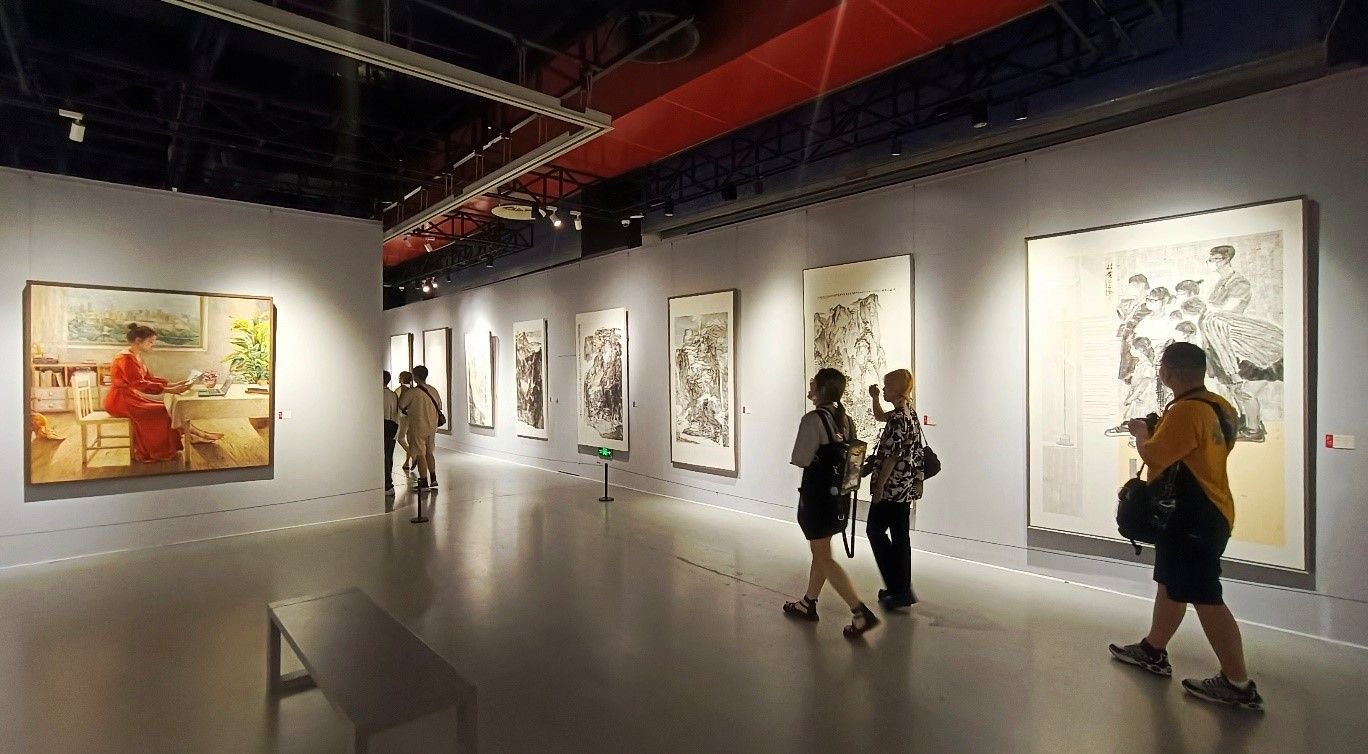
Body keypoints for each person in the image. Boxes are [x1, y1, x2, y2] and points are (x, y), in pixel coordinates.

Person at [1108, 342, 1264, 711]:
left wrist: (1141, 432)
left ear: (1169, 372)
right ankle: (1153, 649)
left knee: (1206, 596)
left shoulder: (1186, 411)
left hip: (1193, 517)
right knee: (1171, 584)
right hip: (1211, 509)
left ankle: (1237, 683)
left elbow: (1155, 456)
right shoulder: (1219, 406)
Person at [782, 368, 880, 639]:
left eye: (813, 384)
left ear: (821, 389)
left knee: (823, 556)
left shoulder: (812, 420)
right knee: (821, 551)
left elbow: (800, 458)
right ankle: (808, 602)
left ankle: (859, 611)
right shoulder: (846, 420)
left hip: (816, 498)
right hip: (838, 500)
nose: (809, 388)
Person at [865, 369, 926, 610]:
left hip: (892, 488)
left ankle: (898, 586)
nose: (883, 390)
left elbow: (891, 457)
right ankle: (901, 589)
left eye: (886, 387)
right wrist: (874, 398)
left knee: (874, 531)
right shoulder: (908, 413)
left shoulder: (900, 418)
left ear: (896, 389)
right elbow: (881, 417)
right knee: (900, 537)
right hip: (904, 487)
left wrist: (879, 488)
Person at [104, 323, 208, 463]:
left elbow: (149, 379)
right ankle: (192, 436)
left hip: (129, 398)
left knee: (168, 408)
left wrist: (174, 384)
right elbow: (139, 384)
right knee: (162, 410)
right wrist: (170, 390)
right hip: (119, 401)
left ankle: (195, 434)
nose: (152, 345)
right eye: (150, 342)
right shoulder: (125, 358)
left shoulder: (135, 356)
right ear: (138, 341)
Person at [397, 364, 442, 490]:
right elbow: (439, 406)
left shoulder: (413, 392)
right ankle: (433, 478)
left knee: (420, 454)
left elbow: (401, 405)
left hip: (418, 426)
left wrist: (404, 392)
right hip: (432, 426)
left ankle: (424, 482)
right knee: (429, 452)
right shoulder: (433, 390)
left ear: (415, 377)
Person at [383, 371, 399, 496]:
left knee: (385, 457)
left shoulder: (379, 394)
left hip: (384, 425)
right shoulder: (393, 394)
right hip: (392, 426)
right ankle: (388, 484)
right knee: (388, 456)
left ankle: (387, 484)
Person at [395, 371, 414, 473]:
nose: (399, 379)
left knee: (400, 438)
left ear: (402, 378)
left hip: (403, 418)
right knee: (410, 440)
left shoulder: (400, 390)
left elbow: (397, 404)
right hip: (412, 417)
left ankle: (414, 456)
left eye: (400, 377)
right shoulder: (413, 390)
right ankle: (407, 462)